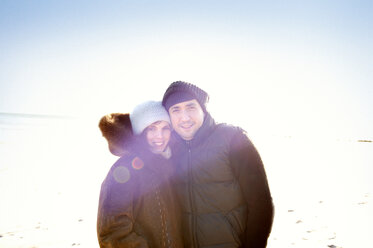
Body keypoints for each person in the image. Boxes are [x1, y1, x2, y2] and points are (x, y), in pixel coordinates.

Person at [162, 81, 274, 248]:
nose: (184, 117)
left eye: (191, 107)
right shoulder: (167, 150)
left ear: (203, 110)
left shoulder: (233, 140)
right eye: (175, 110)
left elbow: (261, 204)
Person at [97, 101, 183, 248]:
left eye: (165, 128)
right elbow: (112, 232)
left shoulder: (168, 164)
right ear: (140, 132)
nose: (160, 136)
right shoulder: (125, 169)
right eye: (152, 129)